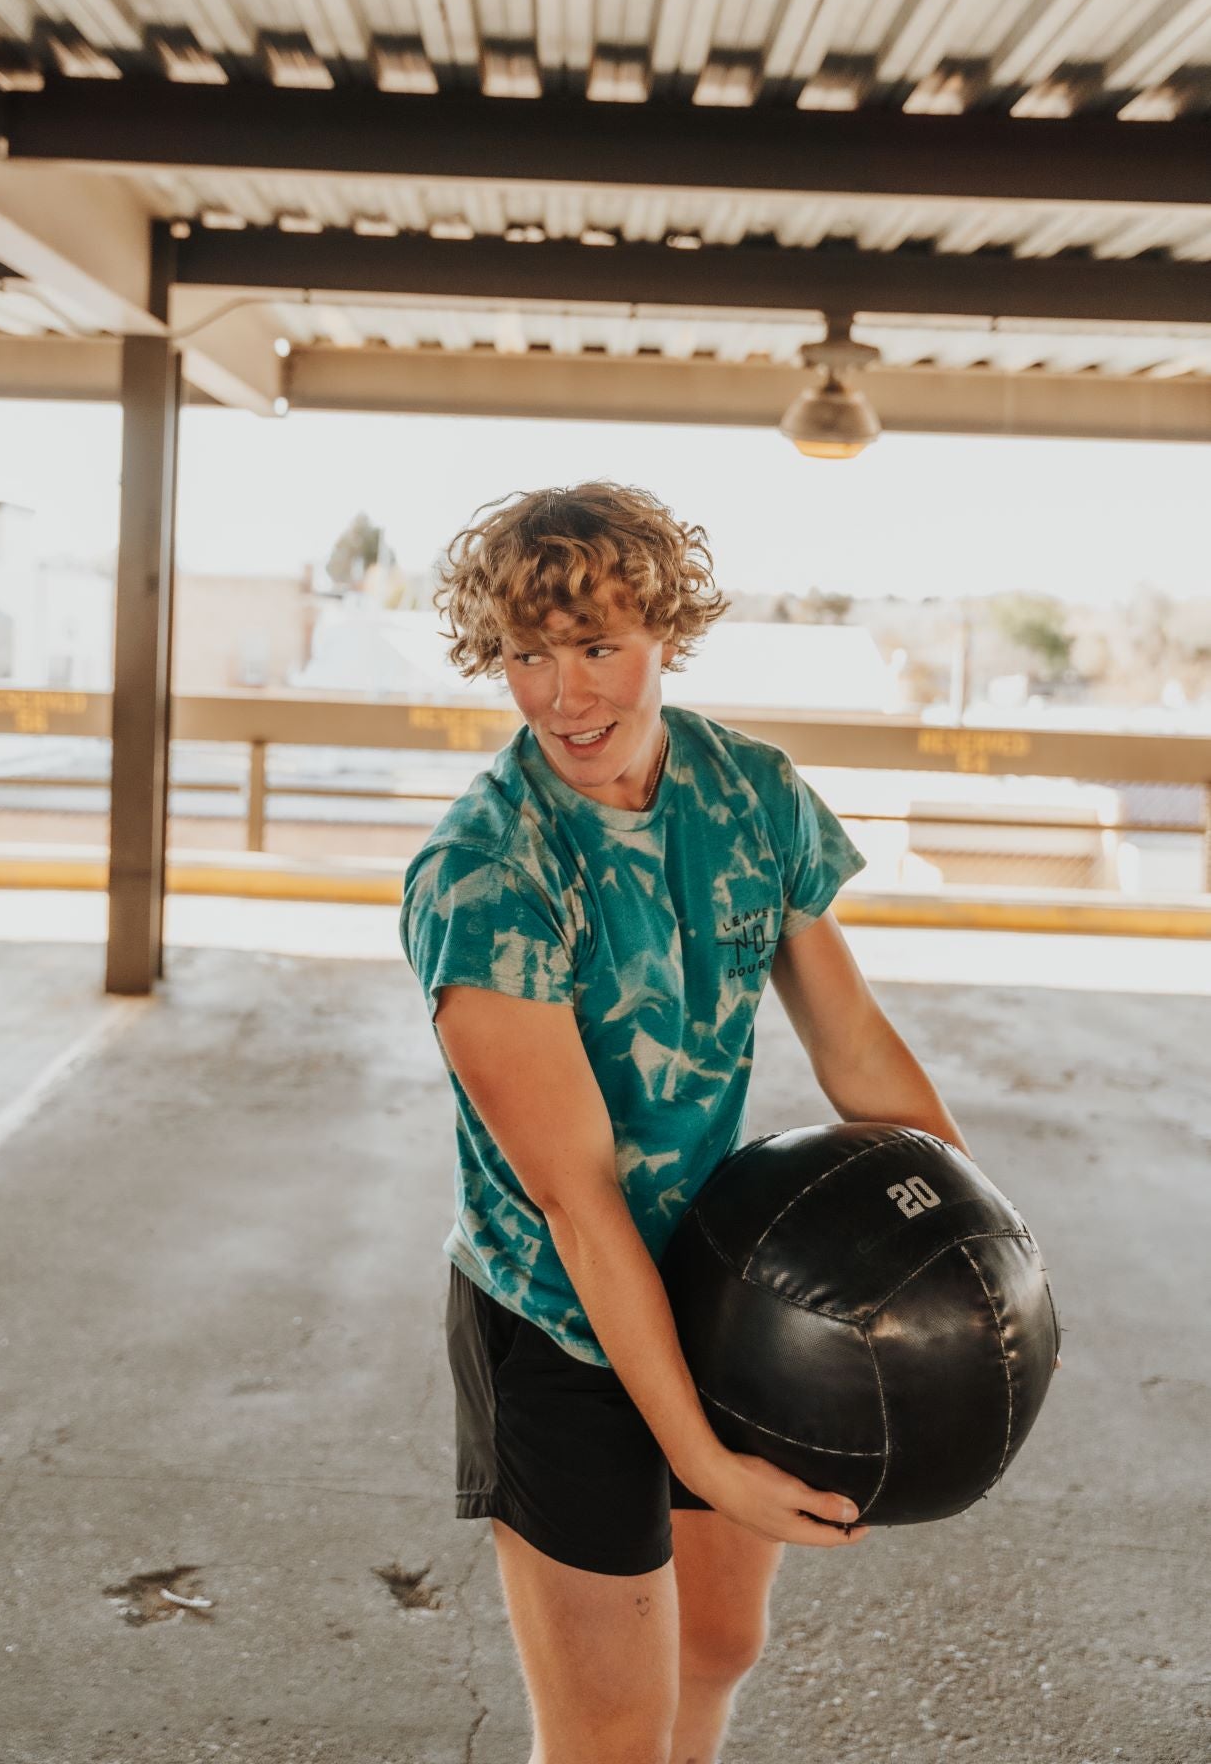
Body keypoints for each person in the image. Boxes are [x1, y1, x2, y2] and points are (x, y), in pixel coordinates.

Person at [399, 481, 969, 1764]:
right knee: (608, 1733)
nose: (563, 692)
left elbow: (853, 1043)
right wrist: (702, 1458)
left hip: (723, 1277)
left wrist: (976, 1239)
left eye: (596, 644)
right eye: (527, 655)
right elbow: (579, 1203)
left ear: (665, 630)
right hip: (561, 1315)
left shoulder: (749, 789)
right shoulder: (485, 874)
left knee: (715, 1649)